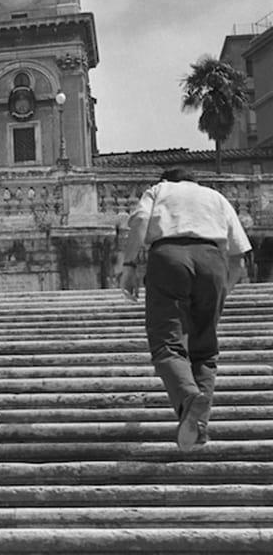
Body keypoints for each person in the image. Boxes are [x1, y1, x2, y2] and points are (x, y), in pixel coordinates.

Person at [118, 167, 251, 451]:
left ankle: (190, 397)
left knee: (166, 343)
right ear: (195, 182)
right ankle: (197, 425)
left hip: (170, 258)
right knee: (204, 350)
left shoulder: (159, 191)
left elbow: (141, 220)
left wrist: (129, 265)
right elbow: (239, 258)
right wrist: (220, 293)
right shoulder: (216, 197)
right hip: (213, 261)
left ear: (167, 180)